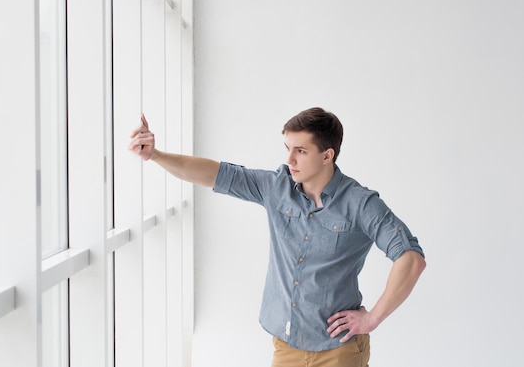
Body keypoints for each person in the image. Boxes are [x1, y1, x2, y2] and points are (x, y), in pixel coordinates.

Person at [129, 107, 426, 367]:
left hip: (340, 351)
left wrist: (373, 317)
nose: (290, 159)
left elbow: (410, 259)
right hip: (286, 346)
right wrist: (155, 155)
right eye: (287, 147)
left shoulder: (360, 203)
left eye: (300, 150)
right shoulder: (276, 186)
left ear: (327, 155)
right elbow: (214, 174)